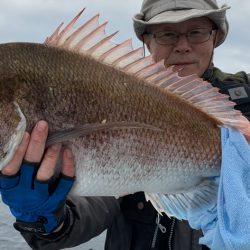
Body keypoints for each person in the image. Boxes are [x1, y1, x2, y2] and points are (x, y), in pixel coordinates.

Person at [1, 0, 250, 249]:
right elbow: (97, 204)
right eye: (167, 34)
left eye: (196, 32)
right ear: (146, 39)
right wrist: (45, 218)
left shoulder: (245, 99)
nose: (183, 46)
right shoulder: (114, 91)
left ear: (216, 36)